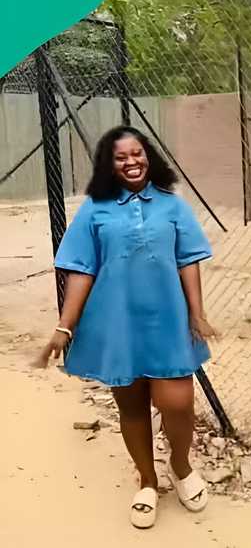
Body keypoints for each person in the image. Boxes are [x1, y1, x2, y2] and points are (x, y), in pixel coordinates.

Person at [31, 126, 218, 528]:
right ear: (109, 164)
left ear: (148, 157)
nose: (132, 162)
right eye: (121, 157)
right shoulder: (95, 210)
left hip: (167, 321)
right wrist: (65, 326)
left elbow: (188, 260)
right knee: (131, 406)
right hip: (116, 324)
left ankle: (180, 467)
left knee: (177, 403)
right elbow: (82, 270)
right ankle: (147, 481)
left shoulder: (172, 205)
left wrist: (197, 313)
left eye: (138, 154)